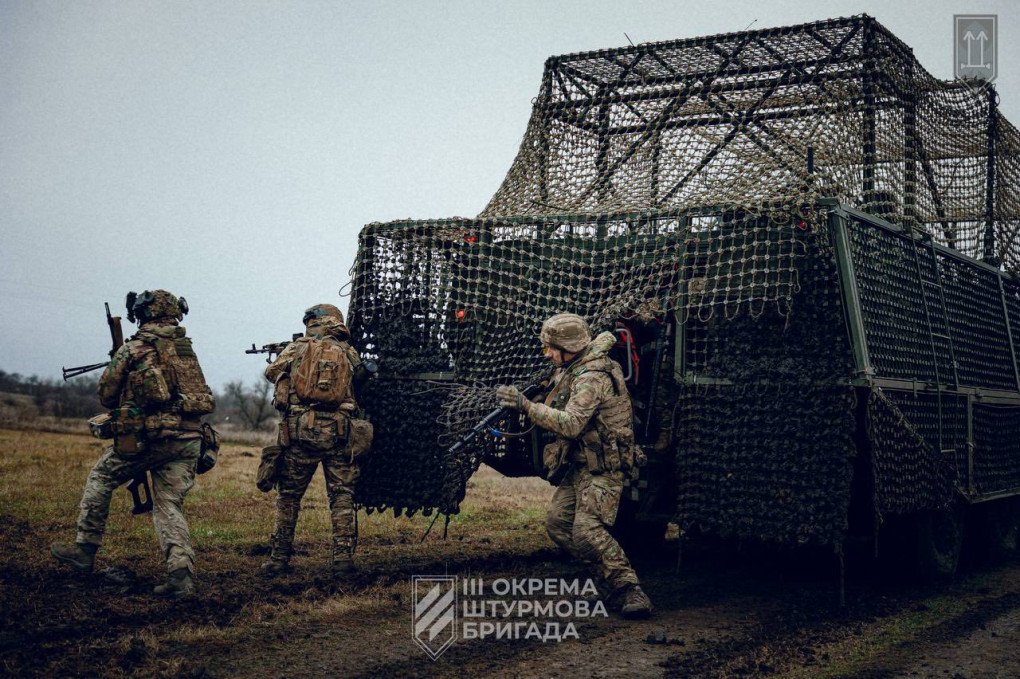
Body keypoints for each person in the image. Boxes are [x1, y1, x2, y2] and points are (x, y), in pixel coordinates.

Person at [51, 290, 216, 598]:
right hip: (190, 440)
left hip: (149, 439)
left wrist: (120, 361)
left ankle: (84, 550)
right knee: (169, 505)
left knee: (101, 477)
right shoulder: (185, 349)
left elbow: (107, 395)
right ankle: (180, 576)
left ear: (143, 314)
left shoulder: (134, 348)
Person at [497, 313, 653, 618]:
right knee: (558, 524)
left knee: (585, 531)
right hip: (582, 463)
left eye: (551, 348)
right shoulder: (574, 368)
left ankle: (629, 589)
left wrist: (527, 407)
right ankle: (606, 582)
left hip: (604, 467)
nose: (548, 354)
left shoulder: (592, 377)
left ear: (569, 346)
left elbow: (569, 424)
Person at [259, 304, 368, 580]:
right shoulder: (348, 351)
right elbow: (363, 378)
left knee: (289, 497)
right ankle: (343, 560)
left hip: (301, 433)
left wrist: (293, 370)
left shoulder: (298, 346)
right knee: (341, 497)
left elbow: (271, 372)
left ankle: (279, 559)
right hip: (339, 433)